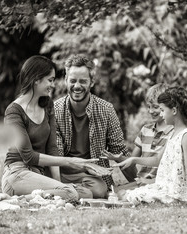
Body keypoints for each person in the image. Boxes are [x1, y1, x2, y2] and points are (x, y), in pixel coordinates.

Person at [1, 55, 112, 202]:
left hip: (39, 172)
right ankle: (12, 199)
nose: (53, 85)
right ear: (36, 79)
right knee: (71, 194)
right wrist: (70, 162)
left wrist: (59, 184)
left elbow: (52, 148)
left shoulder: (47, 105)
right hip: (18, 173)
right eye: (50, 80)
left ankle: (41, 195)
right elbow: (28, 156)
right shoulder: (13, 111)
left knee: (87, 194)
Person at [54, 54, 137, 198]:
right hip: (61, 172)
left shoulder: (106, 110)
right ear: (66, 81)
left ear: (92, 82)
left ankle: (71, 192)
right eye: (72, 81)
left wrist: (138, 183)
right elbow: (56, 155)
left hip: (92, 177)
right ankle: (70, 190)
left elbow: (119, 151)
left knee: (99, 190)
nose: (77, 86)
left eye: (83, 81)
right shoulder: (55, 109)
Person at [115, 86, 187, 206]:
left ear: (174, 111)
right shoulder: (173, 134)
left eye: (162, 110)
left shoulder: (186, 136)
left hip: (174, 193)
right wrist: (134, 159)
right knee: (122, 193)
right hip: (164, 187)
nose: (161, 114)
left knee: (126, 195)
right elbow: (157, 160)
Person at [103, 83, 174, 187]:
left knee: (121, 194)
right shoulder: (145, 130)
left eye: (155, 107)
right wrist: (118, 158)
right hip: (141, 182)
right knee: (117, 193)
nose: (150, 111)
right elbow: (132, 161)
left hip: (161, 184)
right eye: (149, 107)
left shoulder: (174, 133)